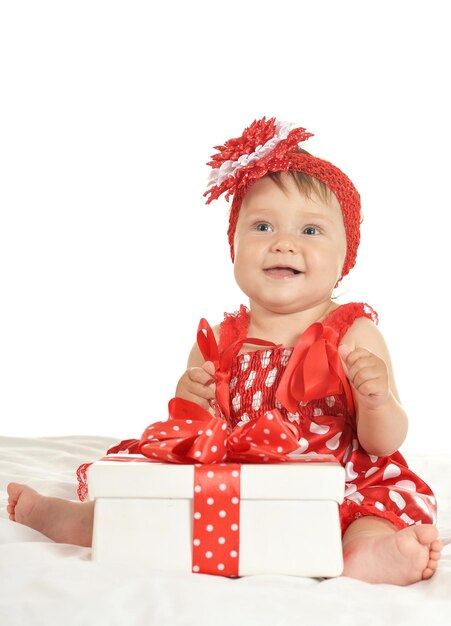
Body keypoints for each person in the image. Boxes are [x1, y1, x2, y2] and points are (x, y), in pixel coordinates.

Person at [7, 117, 442, 585]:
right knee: (158, 502)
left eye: (311, 231)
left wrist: (377, 400)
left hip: (337, 481)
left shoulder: (352, 333)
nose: (284, 242)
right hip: (241, 480)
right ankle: (76, 521)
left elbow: (384, 442)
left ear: (345, 257)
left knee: (368, 512)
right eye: (262, 225)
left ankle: (366, 553)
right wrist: (191, 400)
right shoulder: (218, 340)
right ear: (233, 246)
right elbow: (191, 432)